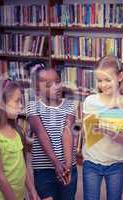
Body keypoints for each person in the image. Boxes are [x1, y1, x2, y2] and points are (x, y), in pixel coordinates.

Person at [82, 55, 123, 200]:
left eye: (108, 80)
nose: (103, 85)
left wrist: (107, 128)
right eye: (100, 81)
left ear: (120, 77)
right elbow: (86, 133)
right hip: (91, 161)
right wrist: (97, 126)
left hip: (116, 164)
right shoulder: (90, 101)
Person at [26, 61, 77, 200]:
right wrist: (56, 163)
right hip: (44, 169)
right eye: (49, 85)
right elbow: (42, 134)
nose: (56, 86)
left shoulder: (69, 106)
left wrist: (66, 166)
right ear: (37, 90)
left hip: (67, 166)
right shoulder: (33, 107)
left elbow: (67, 133)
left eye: (58, 81)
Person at [0, 79, 39, 200]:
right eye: (17, 101)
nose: (21, 105)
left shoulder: (16, 130)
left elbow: (22, 165)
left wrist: (31, 189)